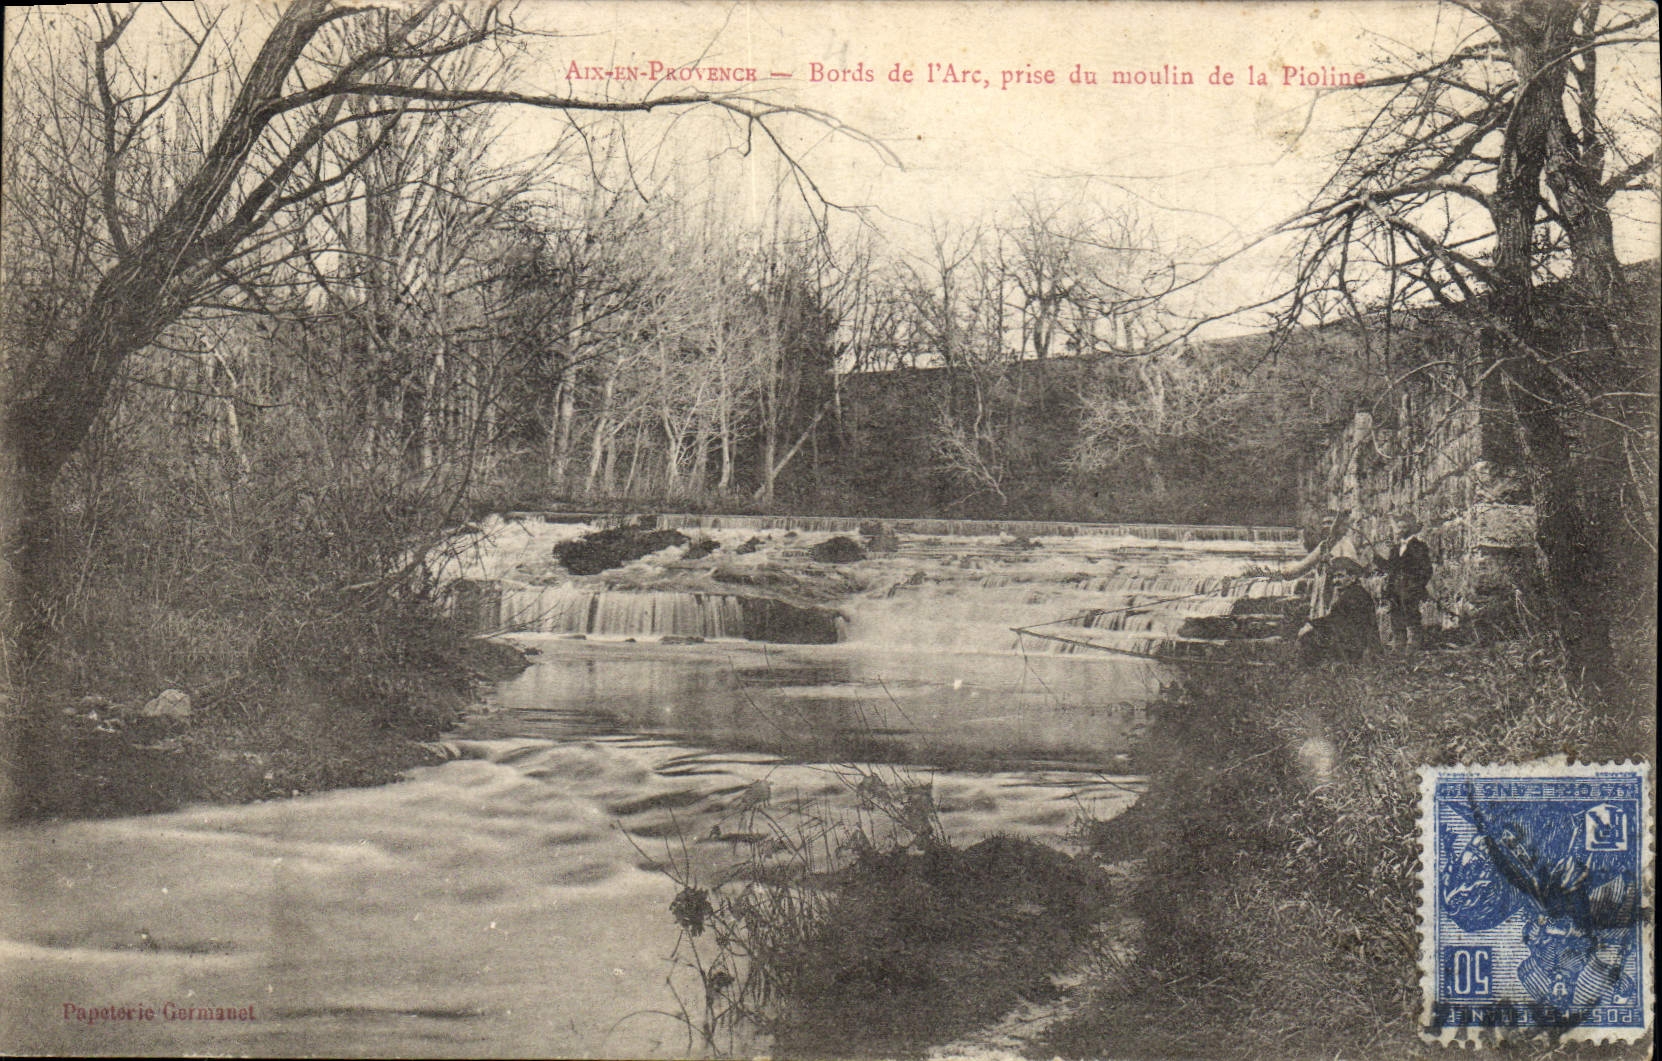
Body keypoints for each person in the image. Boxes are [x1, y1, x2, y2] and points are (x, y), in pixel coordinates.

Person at [1383, 515, 1433, 650]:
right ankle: (1399, 645)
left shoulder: (1419, 547)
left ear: (1411, 529)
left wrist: (1416, 585)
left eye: (1404, 527)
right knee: (1396, 615)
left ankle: (1414, 645)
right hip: (1395, 588)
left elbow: (1426, 569)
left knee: (1411, 615)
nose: (1401, 530)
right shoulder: (1395, 548)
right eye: (1399, 527)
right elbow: (1391, 568)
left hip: (1410, 588)